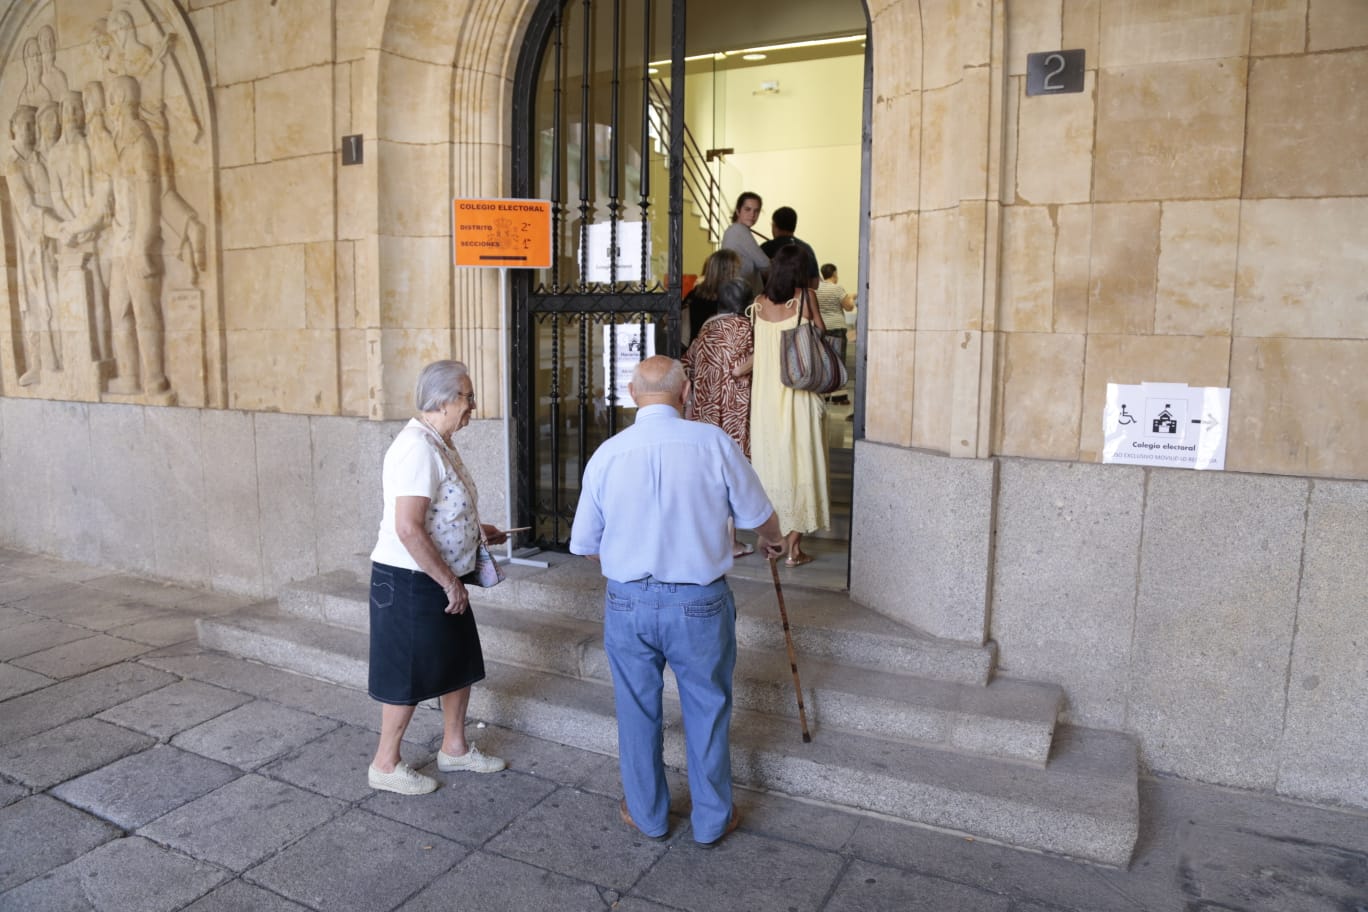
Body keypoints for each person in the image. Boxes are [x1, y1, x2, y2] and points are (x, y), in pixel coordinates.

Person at [569, 356, 784, 847]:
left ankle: (648, 815)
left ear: (630, 393)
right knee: (707, 707)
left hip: (628, 603)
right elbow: (759, 513)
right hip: (699, 604)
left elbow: (584, 544)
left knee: (636, 708)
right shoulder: (712, 442)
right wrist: (771, 541)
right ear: (685, 393)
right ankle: (711, 820)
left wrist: (630, 552)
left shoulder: (608, 453)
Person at [366, 360, 509, 794]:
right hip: (413, 578)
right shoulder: (416, 447)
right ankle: (385, 765)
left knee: (457, 663)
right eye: (466, 396)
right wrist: (448, 582)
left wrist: (474, 531)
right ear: (442, 400)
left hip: (439, 572)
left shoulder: (439, 442)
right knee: (407, 675)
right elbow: (408, 527)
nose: (472, 405)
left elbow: (437, 512)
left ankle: (455, 748)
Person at [748, 246, 831, 567]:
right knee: (803, 460)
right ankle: (794, 548)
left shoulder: (758, 304)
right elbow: (820, 335)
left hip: (766, 398)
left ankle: (773, 535)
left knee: (773, 462)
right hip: (798, 395)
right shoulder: (805, 299)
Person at [681, 248, 742, 346]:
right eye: (736, 270)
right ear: (727, 272)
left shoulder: (694, 294)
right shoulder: (732, 299)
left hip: (695, 353)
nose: (739, 274)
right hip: (722, 353)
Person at [719, 191, 768, 295]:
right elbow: (765, 264)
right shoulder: (739, 230)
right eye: (747, 209)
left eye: (756, 211)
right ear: (738, 211)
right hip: (740, 296)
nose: (752, 215)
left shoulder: (733, 230)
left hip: (736, 293)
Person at [759, 206, 819, 289]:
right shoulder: (807, 248)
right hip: (801, 299)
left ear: (774, 225)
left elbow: (757, 278)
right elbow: (815, 281)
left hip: (772, 300)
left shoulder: (766, 248)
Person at [815, 263, 856, 363]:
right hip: (837, 328)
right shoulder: (837, 288)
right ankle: (838, 378)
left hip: (820, 328)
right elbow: (849, 307)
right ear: (834, 273)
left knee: (823, 360)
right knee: (838, 361)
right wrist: (851, 298)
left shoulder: (816, 289)